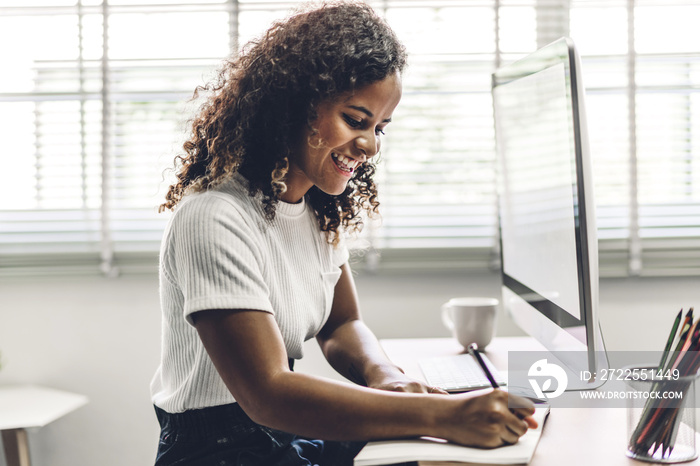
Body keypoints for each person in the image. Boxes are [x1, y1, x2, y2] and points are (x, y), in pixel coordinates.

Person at [150, 2, 537, 465]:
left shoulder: (314, 209)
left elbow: (341, 325)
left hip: (279, 434)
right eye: (356, 120)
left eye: (380, 127)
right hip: (220, 450)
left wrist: (386, 377)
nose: (371, 145)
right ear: (292, 107)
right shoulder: (214, 217)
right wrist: (438, 414)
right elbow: (267, 394)